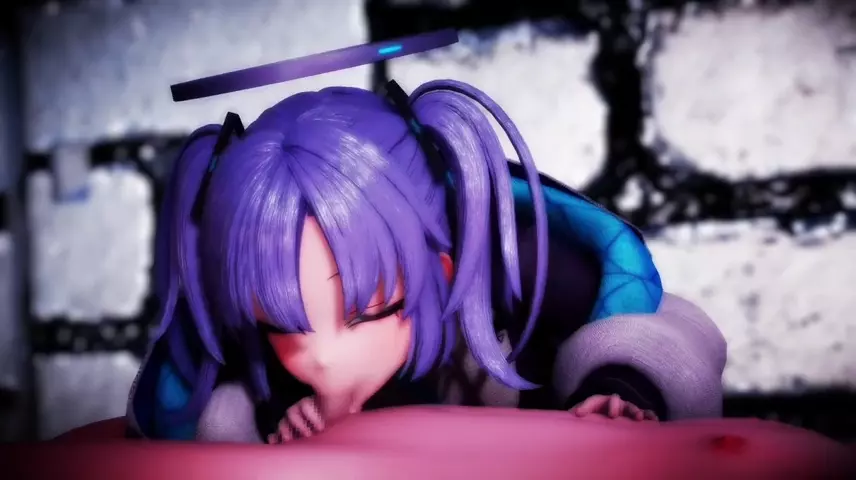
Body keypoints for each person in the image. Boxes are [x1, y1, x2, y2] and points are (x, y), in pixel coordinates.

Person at [126, 31, 727, 444]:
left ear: (441, 269)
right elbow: (194, 409)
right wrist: (284, 420)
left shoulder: (525, 269)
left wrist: (619, 386)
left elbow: (667, 326)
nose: (322, 356)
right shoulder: (264, 350)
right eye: (284, 325)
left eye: (364, 311)